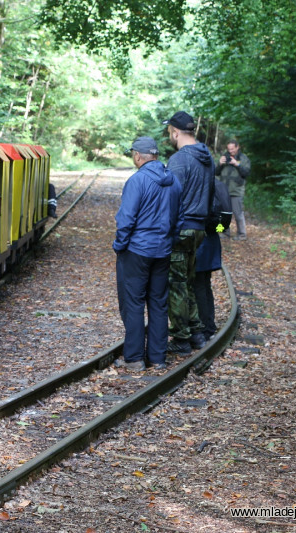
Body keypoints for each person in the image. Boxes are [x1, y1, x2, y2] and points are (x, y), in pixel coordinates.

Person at [113, 137, 182, 372]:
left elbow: (126, 219)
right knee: (158, 303)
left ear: (138, 156)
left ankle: (134, 359)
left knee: (133, 303)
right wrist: (168, 242)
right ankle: (157, 358)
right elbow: (178, 220)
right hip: (162, 251)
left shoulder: (137, 181)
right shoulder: (174, 181)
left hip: (137, 251)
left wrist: (120, 245)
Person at [163, 111, 215, 356]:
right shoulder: (208, 157)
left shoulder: (178, 160)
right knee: (189, 281)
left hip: (181, 229)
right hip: (199, 230)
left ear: (175, 132)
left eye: (169, 132)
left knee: (176, 284)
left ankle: (181, 338)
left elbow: (169, 198)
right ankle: (196, 332)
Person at [195, 178, 231, 340]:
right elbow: (225, 223)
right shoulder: (218, 184)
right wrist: (216, 230)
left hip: (199, 240)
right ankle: (208, 325)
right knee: (204, 284)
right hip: (211, 239)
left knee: (198, 286)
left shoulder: (200, 182)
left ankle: (204, 328)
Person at [216, 140, 250, 241]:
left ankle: (242, 234)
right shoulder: (224, 157)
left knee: (238, 213)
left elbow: (246, 173)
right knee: (222, 214)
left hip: (236, 191)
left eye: (232, 149)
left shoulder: (243, 159)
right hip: (224, 191)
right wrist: (219, 163)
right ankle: (222, 232)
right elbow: (216, 172)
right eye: (229, 149)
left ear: (237, 147)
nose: (230, 151)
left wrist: (237, 164)